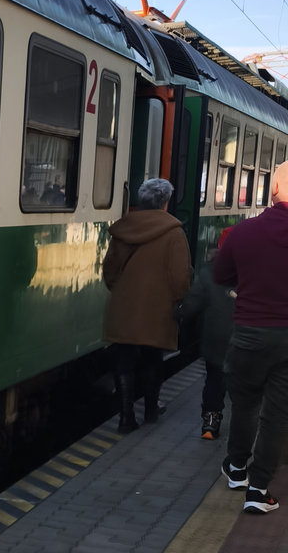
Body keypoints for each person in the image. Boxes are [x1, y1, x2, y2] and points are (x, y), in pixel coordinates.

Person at [214, 159, 288, 514]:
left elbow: (220, 276)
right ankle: (258, 491)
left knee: (244, 405)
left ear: (274, 189)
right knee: (277, 414)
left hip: (249, 333)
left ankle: (236, 469)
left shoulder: (244, 232)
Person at [102, 177, 192, 432]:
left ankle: (125, 418)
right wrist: (179, 300)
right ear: (165, 203)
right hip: (157, 309)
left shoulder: (123, 229)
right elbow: (180, 277)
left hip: (123, 306)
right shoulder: (174, 232)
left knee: (124, 361)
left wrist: (122, 292)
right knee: (153, 358)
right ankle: (151, 411)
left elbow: (110, 270)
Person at [179, 226, 236, 440]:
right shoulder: (256, 271)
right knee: (245, 385)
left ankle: (210, 425)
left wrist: (177, 314)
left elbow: (192, 304)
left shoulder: (208, 271)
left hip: (216, 338)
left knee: (214, 380)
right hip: (245, 337)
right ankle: (243, 428)